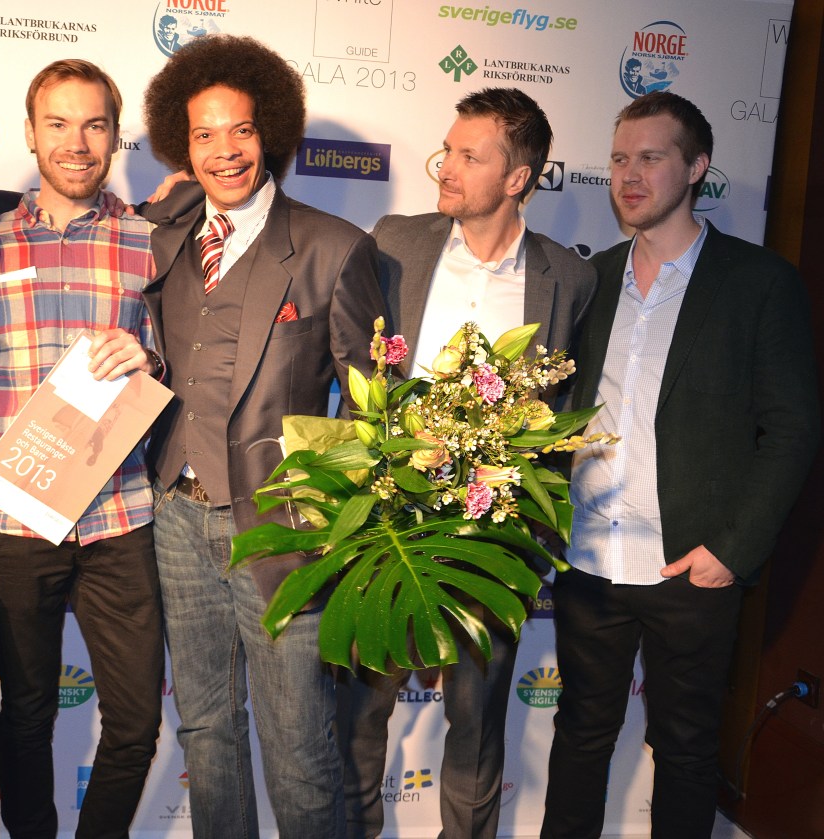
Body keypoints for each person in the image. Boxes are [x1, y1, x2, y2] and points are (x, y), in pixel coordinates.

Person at [541, 91, 819, 838]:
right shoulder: (591, 278)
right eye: (619, 159)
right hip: (589, 558)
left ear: (697, 167)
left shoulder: (758, 282)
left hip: (690, 565)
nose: (629, 175)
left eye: (651, 157)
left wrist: (732, 550)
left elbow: (793, 428)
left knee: (688, 751)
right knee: (579, 735)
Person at [140, 34, 386, 838]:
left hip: (285, 529)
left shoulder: (333, 247)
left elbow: (370, 401)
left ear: (269, 131)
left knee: (299, 746)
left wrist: (327, 511)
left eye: (241, 130)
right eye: (204, 134)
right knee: (207, 730)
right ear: (183, 147)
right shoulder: (165, 234)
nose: (225, 151)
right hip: (177, 516)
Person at [337, 87, 597, 839]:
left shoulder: (569, 279)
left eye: (468, 157)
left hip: (496, 542)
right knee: (359, 716)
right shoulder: (394, 242)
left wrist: (534, 531)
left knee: (477, 725)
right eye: (447, 150)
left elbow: (567, 415)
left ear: (517, 178)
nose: (445, 167)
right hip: (389, 527)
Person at [0, 59, 164, 839]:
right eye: (57, 123)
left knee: (136, 721)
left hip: (120, 512)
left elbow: (181, 353)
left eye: (93, 124)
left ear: (115, 137)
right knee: (23, 715)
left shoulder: (154, 243)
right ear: (29, 132)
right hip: (12, 517)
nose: (76, 142)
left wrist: (153, 357)